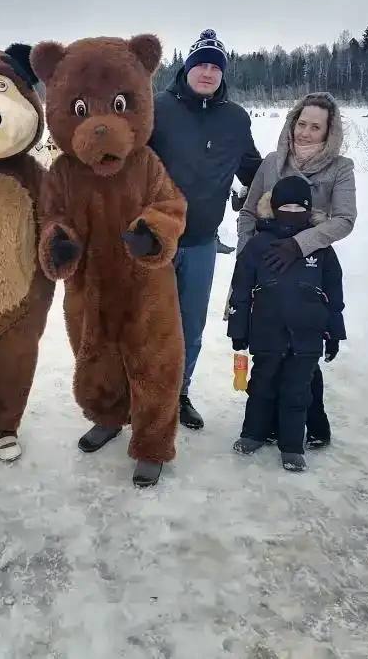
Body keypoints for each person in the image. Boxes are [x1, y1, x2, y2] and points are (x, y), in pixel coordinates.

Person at [149, 29, 262, 430]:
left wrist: (298, 185)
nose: (208, 72)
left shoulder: (235, 119)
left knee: (190, 326)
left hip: (200, 244)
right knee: (145, 324)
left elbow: (254, 171)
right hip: (154, 242)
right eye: (202, 65)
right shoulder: (157, 109)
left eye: (216, 67)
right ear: (188, 67)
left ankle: (178, 393)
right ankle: (137, 394)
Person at [235, 92, 356, 448]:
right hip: (267, 270)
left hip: (309, 269)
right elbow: (248, 212)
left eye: (315, 127)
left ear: (328, 132)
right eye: (301, 124)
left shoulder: (340, 168)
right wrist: (248, 259)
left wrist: (300, 245)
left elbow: (344, 219)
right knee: (270, 352)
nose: (305, 132)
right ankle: (271, 425)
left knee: (303, 356)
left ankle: (314, 424)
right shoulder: (273, 163)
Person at [227, 176, 346, 472]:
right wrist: (238, 330)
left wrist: (334, 333)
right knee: (261, 386)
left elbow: (334, 295)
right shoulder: (258, 246)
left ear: (309, 210)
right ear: (274, 208)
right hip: (267, 332)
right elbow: (241, 290)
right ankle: (253, 433)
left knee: (297, 392)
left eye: (300, 207)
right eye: (286, 207)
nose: (293, 213)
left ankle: (292, 446)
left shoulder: (319, 248)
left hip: (307, 337)